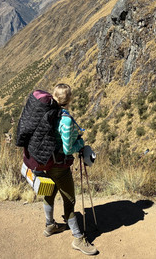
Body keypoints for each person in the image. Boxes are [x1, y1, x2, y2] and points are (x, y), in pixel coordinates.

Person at [42, 83, 98, 256]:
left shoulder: (48, 113)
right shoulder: (65, 120)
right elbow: (67, 149)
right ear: (70, 99)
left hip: (45, 163)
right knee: (69, 201)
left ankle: (50, 225)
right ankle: (78, 238)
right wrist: (80, 144)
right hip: (60, 166)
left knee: (49, 193)